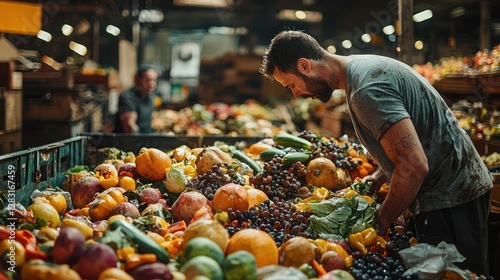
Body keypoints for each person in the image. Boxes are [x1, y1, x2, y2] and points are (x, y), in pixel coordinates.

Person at [259, 30, 493, 277]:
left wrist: (381, 220)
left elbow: (414, 165)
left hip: (453, 198)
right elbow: (411, 142)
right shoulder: (362, 70)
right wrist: (380, 177)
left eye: (292, 86)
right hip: (453, 190)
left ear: (305, 66)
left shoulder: (366, 89)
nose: (296, 94)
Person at [114, 65, 159, 133]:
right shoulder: (128, 98)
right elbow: (130, 127)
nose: (151, 84)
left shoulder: (150, 98)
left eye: (154, 80)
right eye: (147, 80)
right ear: (137, 79)